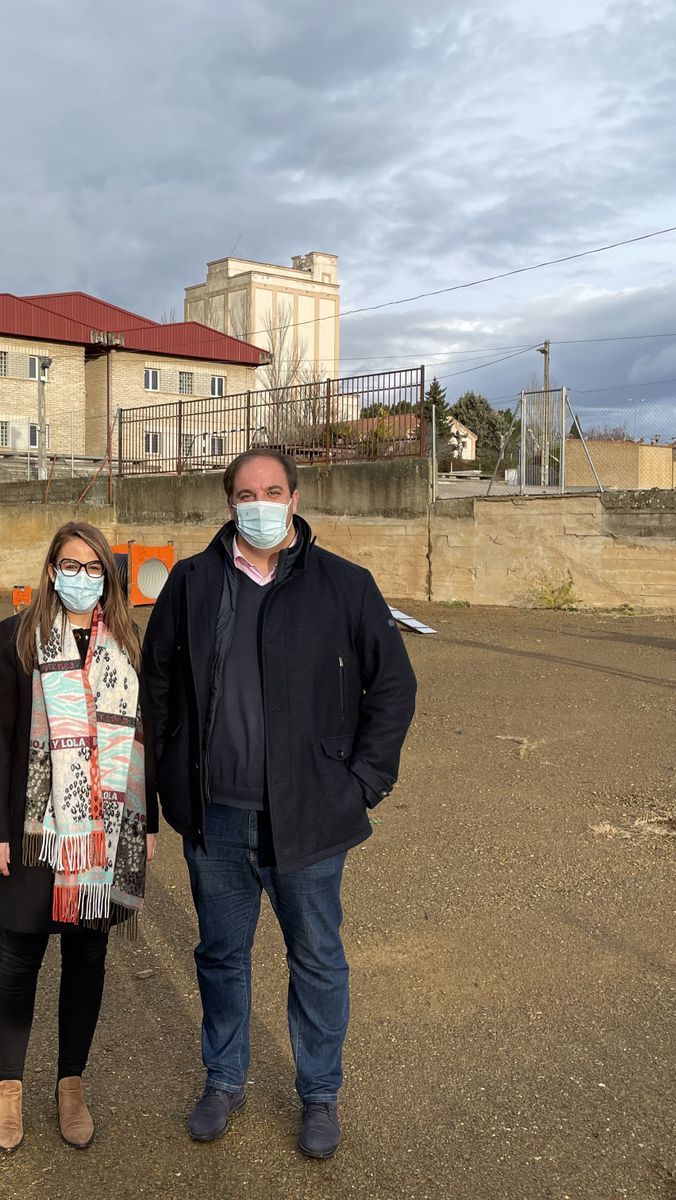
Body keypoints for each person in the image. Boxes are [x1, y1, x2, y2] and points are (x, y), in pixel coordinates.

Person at [141, 448, 418, 1160]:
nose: (258, 503)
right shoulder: (193, 582)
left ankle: (319, 1094)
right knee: (220, 956)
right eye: (244, 493)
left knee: (317, 958)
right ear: (228, 503)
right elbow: (159, 686)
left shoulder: (344, 586)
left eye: (271, 491)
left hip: (309, 819)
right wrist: (170, 782)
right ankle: (223, 1079)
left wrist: (361, 783)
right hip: (217, 817)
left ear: (295, 498)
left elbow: (393, 689)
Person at [0, 521, 156, 1153]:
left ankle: (71, 1084)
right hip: (33, 833)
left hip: (104, 832)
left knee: (86, 958)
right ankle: (10, 1088)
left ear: (108, 575)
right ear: (51, 570)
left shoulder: (128, 643)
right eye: (68, 564)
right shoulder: (17, 638)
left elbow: (141, 740)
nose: (80, 576)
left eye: (92, 566)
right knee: (19, 957)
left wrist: (146, 825)